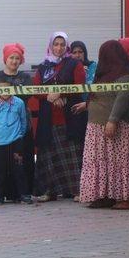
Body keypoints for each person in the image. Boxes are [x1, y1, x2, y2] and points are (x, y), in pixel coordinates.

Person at [79, 40, 129, 209]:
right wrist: (87, 105)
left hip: (121, 125)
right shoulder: (103, 74)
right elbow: (101, 96)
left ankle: (128, 197)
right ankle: (105, 195)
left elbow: (122, 98)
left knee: (123, 162)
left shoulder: (126, 73)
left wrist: (112, 120)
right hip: (97, 127)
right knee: (102, 162)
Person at [33, 32, 86, 202]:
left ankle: (78, 191)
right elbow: (36, 89)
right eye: (56, 44)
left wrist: (61, 94)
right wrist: (48, 96)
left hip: (69, 117)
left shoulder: (74, 64)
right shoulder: (43, 67)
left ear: (67, 47)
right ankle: (50, 191)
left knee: (73, 155)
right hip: (48, 118)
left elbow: (79, 86)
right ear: (51, 46)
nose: (59, 48)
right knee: (49, 154)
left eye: (62, 44)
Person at [0, 43, 35, 201]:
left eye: (17, 58)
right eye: (11, 57)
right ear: (5, 59)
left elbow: (26, 98)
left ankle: (21, 194)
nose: (14, 61)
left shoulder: (26, 78)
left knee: (20, 163)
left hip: (19, 128)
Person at [0, 81, 32, 206]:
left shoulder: (19, 103)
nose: (5, 92)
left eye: (8, 89)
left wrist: (19, 135)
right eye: (2, 89)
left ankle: (22, 194)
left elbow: (23, 120)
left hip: (16, 141)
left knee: (18, 168)